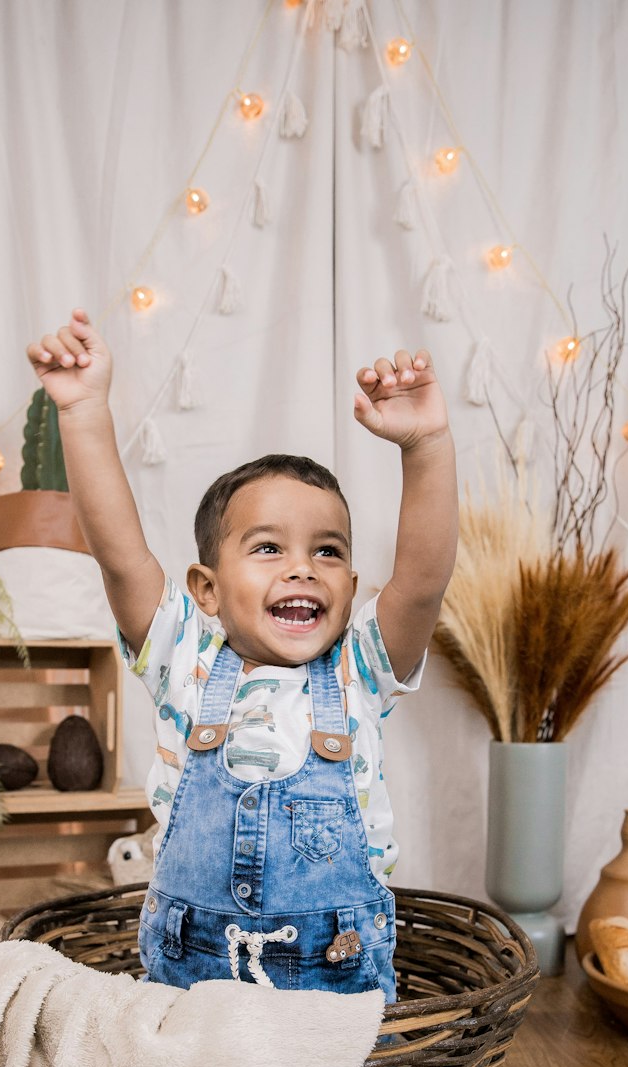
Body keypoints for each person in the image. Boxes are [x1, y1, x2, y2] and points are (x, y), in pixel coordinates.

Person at [26, 309, 457, 1002]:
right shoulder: (182, 658)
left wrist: (427, 444)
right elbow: (119, 553)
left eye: (328, 551)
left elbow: (424, 582)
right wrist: (82, 411)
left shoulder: (359, 671)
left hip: (333, 992)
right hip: (187, 993)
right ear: (206, 590)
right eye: (267, 548)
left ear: (351, 587)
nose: (302, 569)